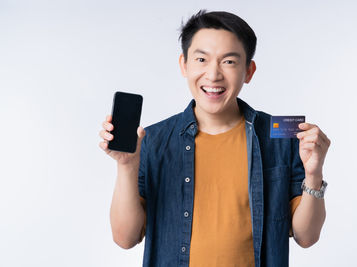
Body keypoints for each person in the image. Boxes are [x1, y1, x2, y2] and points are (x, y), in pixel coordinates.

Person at [99, 9, 330, 267]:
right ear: (184, 65)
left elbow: (307, 236)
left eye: (229, 61)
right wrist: (126, 165)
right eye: (201, 60)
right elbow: (125, 238)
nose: (213, 75)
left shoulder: (279, 136)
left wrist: (314, 174)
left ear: (249, 71)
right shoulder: (152, 140)